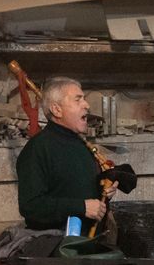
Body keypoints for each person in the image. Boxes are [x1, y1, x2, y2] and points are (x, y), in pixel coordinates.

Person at [15, 77, 115, 232]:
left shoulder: (82, 145)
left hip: (89, 242)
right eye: (78, 100)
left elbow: (77, 190)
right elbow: (31, 206)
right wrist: (81, 207)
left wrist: (105, 190)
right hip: (57, 248)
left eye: (84, 99)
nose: (87, 105)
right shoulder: (37, 149)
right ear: (57, 110)